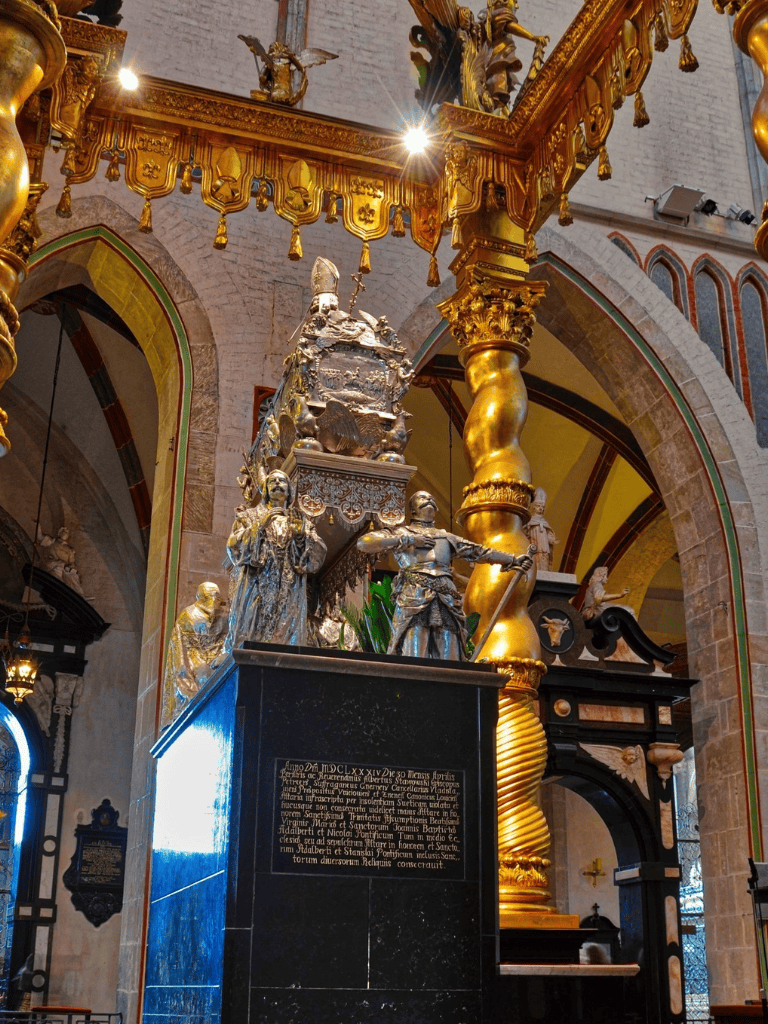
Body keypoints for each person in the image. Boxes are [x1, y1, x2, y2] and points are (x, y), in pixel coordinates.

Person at [357, 490, 532, 661]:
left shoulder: (447, 537)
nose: (429, 500)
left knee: (450, 651)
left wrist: (512, 559)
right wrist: (409, 540)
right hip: (414, 595)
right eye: (423, 498)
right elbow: (365, 543)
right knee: (415, 650)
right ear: (412, 509)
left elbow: (479, 551)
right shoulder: (403, 533)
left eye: (432, 498)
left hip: (446, 597)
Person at [225, 469, 326, 650]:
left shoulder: (299, 519)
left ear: (289, 491)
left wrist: (301, 536)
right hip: (258, 583)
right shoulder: (249, 517)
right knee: (254, 631)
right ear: (265, 489)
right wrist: (258, 527)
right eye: (273, 481)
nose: (278, 484)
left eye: (282, 481)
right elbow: (233, 547)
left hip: (290, 588)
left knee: (286, 633)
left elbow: (316, 556)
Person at [162, 582, 228, 724]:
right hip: (195, 667)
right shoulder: (189, 615)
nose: (217, 602)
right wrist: (187, 683)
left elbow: (227, 643)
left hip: (216, 668)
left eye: (218, 598)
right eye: (214, 597)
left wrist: (221, 657)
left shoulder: (224, 617)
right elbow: (182, 653)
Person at [524, 487, 558, 572]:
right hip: (535, 544)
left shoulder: (544, 522)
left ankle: (545, 572)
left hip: (544, 547)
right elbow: (525, 531)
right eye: (538, 506)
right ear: (534, 507)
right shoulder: (531, 520)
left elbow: (549, 533)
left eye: (542, 507)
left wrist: (551, 539)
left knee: (544, 557)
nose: (541, 508)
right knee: (535, 558)